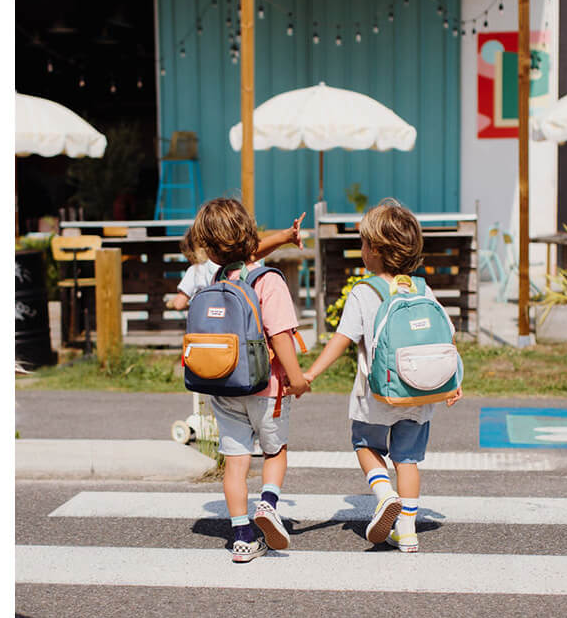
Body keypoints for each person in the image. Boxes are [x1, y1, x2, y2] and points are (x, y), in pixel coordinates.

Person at [303, 199, 462, 553]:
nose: (361, 250)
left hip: (376, 394)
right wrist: (453, 382)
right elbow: (445, 337)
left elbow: (341, 341)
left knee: (366, 446)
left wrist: (309, 374)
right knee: (408, 460)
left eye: (362, 243)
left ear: (374, 249)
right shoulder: (422, 290)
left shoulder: (364, 291)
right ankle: (407, 531)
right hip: (419, 391)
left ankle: (383, 492)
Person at [188, 198, 310, 563]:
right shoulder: (268, 280)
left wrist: (285, 237)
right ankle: (269, 504)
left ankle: (242, 536)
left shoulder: (216, 279)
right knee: (275, 451)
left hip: (223, 387)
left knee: (236, 462)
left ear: (210, 249)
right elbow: (281, 336)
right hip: (266, 387)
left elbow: (238, 252)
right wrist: (298, 378)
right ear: (251, 234)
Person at [167, 212, 306, 310]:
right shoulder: (253, 272)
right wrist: (285, 236)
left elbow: (179, 303)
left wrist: (173, 303)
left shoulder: (208, 269)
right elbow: (252, 253)